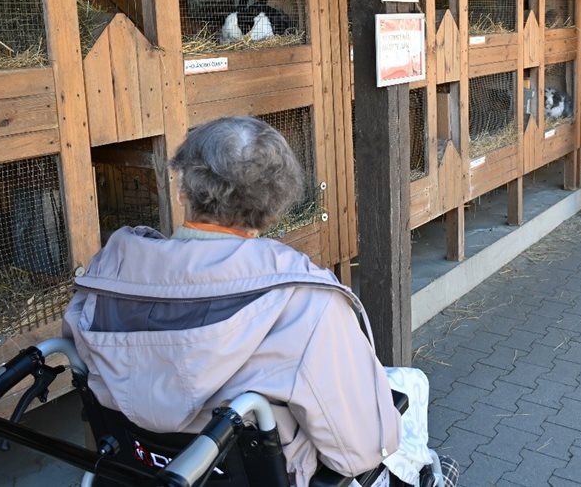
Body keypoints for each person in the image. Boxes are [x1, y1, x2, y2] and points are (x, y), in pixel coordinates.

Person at [63, 116, 454, 486]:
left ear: (182, 191)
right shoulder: (306, 301)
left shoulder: (106, 277)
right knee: (412, 390)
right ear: (275, 207)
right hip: (265, 473)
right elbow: (359, 453)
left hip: (141, 468)